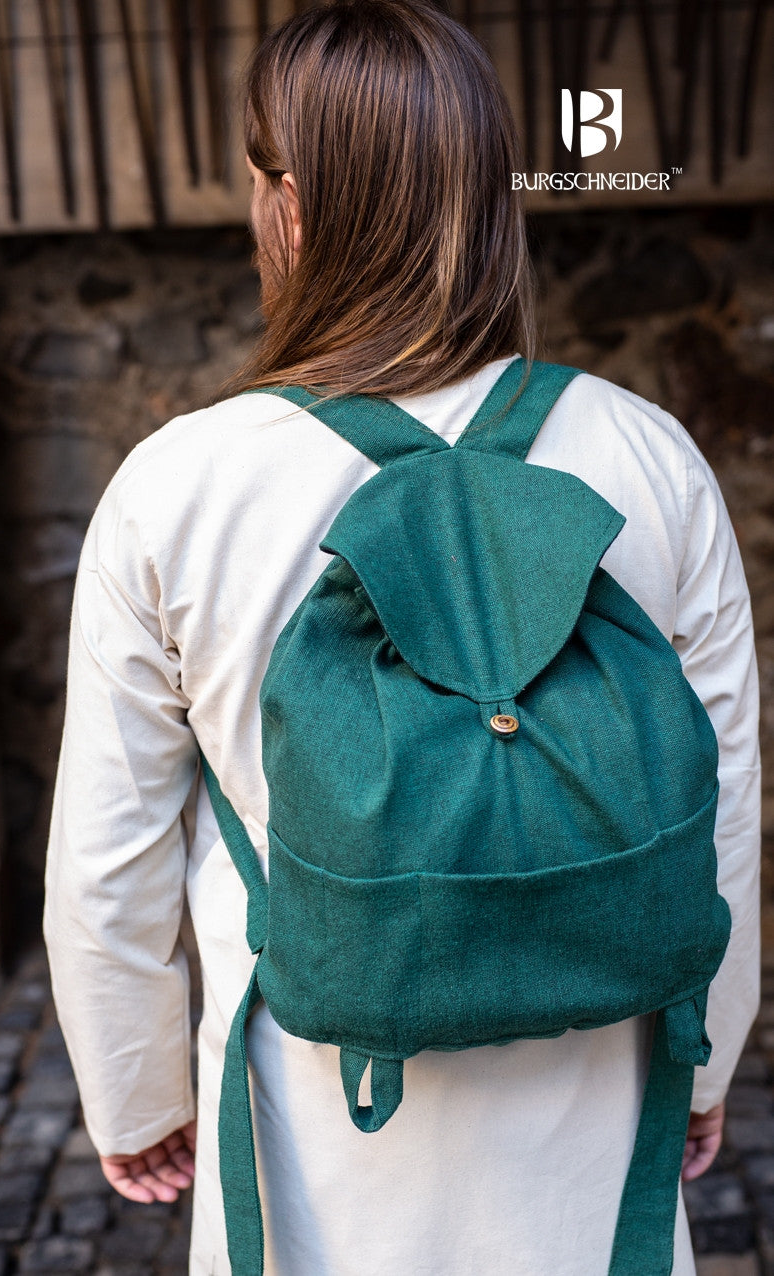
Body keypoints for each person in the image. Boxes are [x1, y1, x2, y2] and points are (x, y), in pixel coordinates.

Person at [43, 2, 760, 1272]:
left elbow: (112, 853)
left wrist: (133, 1089)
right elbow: (726, 801)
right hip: (596, 1094)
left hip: (315, 1124)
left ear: (289, 209)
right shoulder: (646, 456)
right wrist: (706, 1050)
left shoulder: (176, 488)